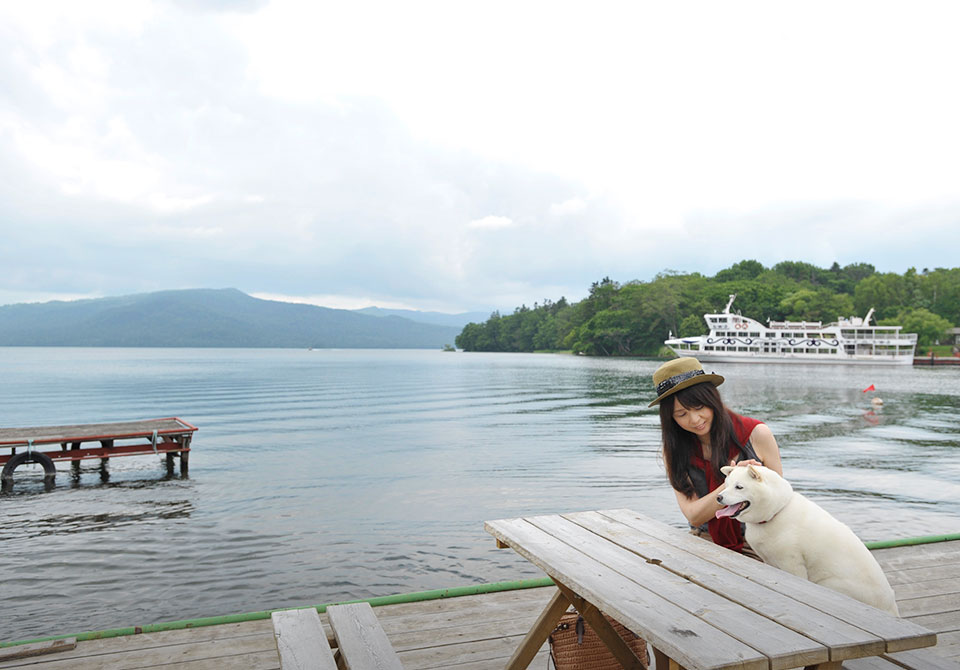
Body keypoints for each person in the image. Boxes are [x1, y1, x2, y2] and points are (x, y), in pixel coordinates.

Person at [649, 357, 783, 555]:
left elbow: (781, 501)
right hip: (703, 540)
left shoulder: (757, 434)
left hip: (761, 541)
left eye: (699, 407)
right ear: (671, 418)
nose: (695, 420)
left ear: (711, 400)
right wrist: (733, 480)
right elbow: (694, 516)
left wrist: (751, 480)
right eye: (681, 414)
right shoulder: (674, 451)